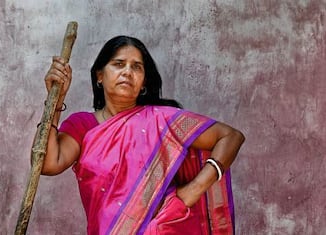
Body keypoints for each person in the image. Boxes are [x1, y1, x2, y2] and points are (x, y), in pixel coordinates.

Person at [40, 35, 245, 234]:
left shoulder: (163, 120)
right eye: (119, 64)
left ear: (144, 82)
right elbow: (49, 164)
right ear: (99, 76)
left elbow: (230, 137)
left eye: (136, 67)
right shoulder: (83, 125)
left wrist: (191, 191)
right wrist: (55, 101)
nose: (128, 72)